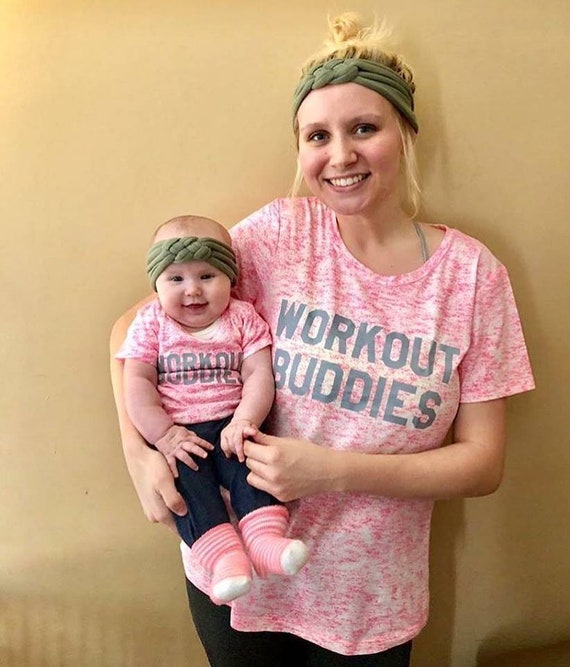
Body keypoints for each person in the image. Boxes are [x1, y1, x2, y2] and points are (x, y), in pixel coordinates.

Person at [110, 12, 535, 667]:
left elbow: (483, 462)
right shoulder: (280, 237)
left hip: (372, 599)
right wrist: (139, 455)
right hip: (239, 573)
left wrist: (332, 470)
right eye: (318, 135)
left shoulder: (471, 276)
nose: (340, 155)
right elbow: (135, 330)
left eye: (364, 127)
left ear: (406, 133)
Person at [116, 215, 309, 606]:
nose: (192, 291)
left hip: (232, 424)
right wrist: (164, 436)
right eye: (176, 279)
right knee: (189, 491)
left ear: (230, 278)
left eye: (207, 276)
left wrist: (245, 421)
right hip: (179, 434)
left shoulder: (241, 317)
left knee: (251, 472)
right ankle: (224, 560)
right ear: (155, 284)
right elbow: (136, 384)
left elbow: (258, 374)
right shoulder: (151, 323)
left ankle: (267, 542)